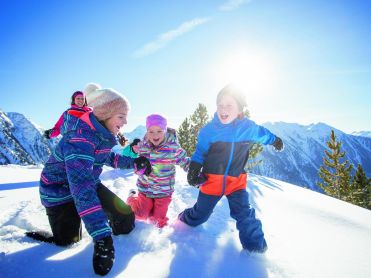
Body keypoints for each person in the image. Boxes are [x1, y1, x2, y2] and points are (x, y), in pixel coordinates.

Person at [26, 83, 151, 276]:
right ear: (105, 113)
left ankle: (95, 220)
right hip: (59, 192)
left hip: (85, 182)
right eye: (121, 116)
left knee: (125, 219)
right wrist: (102, 236)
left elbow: (108, 157)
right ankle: (62, 232)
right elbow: (82, 190)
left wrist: (135, 163)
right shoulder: (79, 139)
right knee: (70, 240)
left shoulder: (100, 134)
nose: (125, 122)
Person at [178, 84, 284, 253]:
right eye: (220, 105)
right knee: (200, 215)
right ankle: (184, 219)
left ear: (239, 109)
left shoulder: (248, 128)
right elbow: (200, 153)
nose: (223, 109)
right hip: (212, 181)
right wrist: (193, 171)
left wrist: (275, 140)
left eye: (229, 105)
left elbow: (263, 134)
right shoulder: (209, 130)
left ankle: (256, 250)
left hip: (236, 182)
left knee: (245, 214)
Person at [127, 114, 190, 228]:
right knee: (140, 215)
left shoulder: (173, 147)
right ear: (147, 131)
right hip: (145, 189)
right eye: (151, 131)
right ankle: (131, 198)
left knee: (158, 221)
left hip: (164, 191)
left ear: (165, 131)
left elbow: (185, 161)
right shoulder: (143, 146)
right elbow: (134, 162)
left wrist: (194, 171)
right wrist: (138, 166)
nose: (155, 135)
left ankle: (157, 223)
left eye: (159, 131)